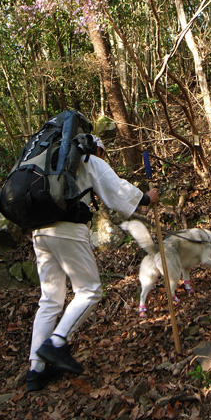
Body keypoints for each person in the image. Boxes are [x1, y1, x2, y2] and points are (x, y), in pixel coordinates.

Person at [26, 135, 159, 391]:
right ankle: (56, 343)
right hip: (67, 229)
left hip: (40, 231)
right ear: (96, 147)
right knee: (89, 290)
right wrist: (145, 198)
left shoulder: (48, 162)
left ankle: (36, 372)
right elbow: (117, 190)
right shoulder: (89, 159)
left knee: (50, 300)